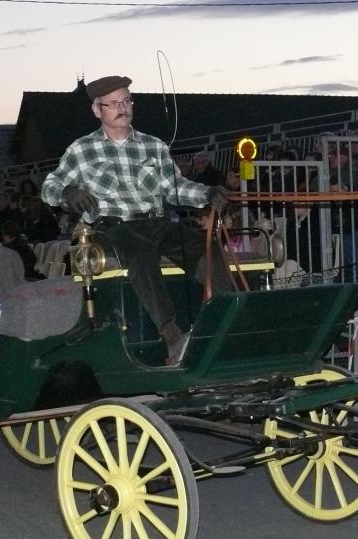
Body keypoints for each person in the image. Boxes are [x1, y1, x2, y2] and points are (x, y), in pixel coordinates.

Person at [40, 75, 232, 363]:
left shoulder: (154, 147)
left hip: (157, 222)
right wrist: (68, 191)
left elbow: (175, 189)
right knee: (140, 253)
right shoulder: (81, 150)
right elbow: (48, 188)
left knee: (205, 246)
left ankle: (225, 323)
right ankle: (172, 336)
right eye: (114, 103)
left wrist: (209, 192)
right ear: (97, 110)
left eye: (127, 100)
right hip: (113, 227)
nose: (122, 108)